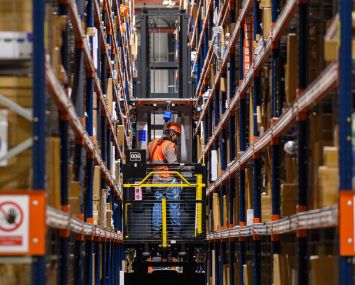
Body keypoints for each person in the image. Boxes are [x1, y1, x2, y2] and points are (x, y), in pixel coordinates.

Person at [147, 122, 182, 238]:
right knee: (173, 204)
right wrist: (182, 172)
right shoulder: (170, 146)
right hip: (170, 179)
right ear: (171, 133)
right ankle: (176, 232)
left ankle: (156, 231)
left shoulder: (151, 144)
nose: (177, 138)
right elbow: (173, 165)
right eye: (176, 135)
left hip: (156, 179)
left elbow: (147, 161)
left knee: (157, 205)